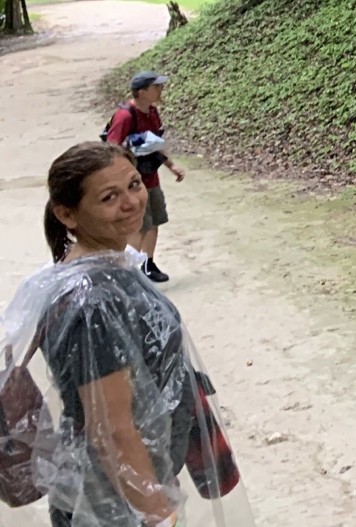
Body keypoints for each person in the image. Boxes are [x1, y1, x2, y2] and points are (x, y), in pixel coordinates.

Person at [0, 141, 250, 527]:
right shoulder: (92, 300)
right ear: (67, 214)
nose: (131, 202)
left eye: (134, 185)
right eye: (109, 197)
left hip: (127, 485)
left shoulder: (114, 266)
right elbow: (110, 429)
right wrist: (156, 511)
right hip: (112, 502)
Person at [104, 73, 184, 283]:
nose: (160, 90)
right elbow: (111, 149)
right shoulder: (125, 117)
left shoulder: (152, 112)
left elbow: (156, 142)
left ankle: (148, 264)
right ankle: (127, 272)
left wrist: (171, 165)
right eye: (156, 87)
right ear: (142, 92)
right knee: (138, 226)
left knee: (154, 221)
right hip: (131, 182)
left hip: (150, 176)